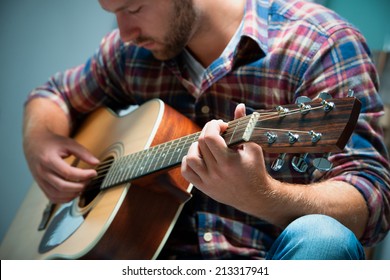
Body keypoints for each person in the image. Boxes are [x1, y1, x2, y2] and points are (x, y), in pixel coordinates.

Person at [22, 0, 390, 259]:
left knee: (325, 239)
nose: (126, 32)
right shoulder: (129, 53)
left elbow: (371, 198)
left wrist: (263, 196)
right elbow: (52, 95)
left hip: (265, 260)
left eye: (133, 8)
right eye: (114, 13)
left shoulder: (319, 42)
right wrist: (40, 141)